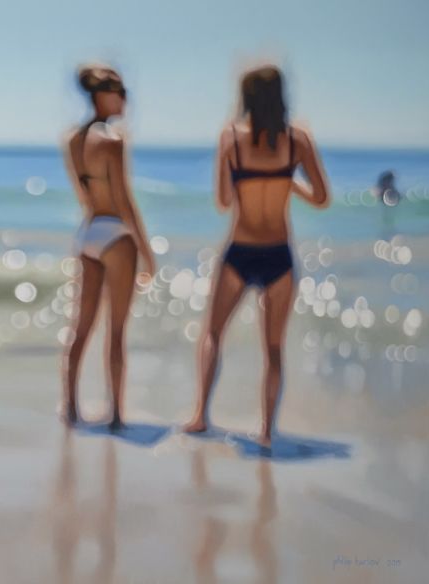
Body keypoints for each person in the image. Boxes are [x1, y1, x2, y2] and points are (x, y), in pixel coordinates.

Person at [183, 65, 330, 447]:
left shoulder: (231, 137)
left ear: (246, 97)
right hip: (279, 254)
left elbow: (223, 201)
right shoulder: (298, 140)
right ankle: (266, 431)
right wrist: (287, 183)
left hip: (241, 251)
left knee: (213, 333)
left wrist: (244, 177)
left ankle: (199, 416)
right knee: (274, 347)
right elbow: (321, 197)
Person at [61, 64, 155, 430]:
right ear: (104, 96)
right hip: (116, 234)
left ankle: (71, 409)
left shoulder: (73, 140)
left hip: (89, 232)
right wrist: (146, 251)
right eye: (122, 94)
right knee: (116, 331)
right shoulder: (113, 140)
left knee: (81, 326)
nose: (126, 101)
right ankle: (116, 415)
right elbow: (125, 201)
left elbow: (85, 196)